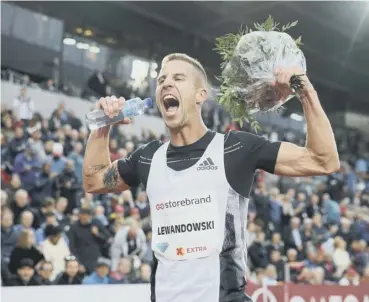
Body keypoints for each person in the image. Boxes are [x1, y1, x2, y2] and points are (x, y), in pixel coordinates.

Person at [83, 53, 339, 302]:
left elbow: (323, 159)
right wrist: (102, 126)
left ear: (200, 95)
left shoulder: (234, 148)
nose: (167, 83)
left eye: (178, 78)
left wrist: (304, 90)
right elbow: (94, 181)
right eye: (162, 80)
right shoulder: (148, 158)